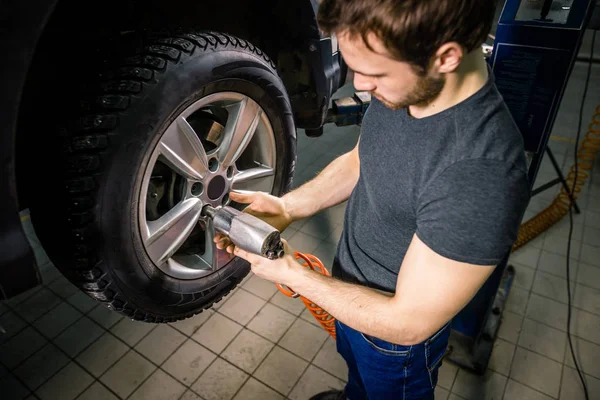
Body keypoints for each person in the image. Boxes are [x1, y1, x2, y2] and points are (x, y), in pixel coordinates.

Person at [215, 0, 531, 398]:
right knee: (357, 380)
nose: (360, 85)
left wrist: (293, 274)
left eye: (373, 73)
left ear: (446, 57)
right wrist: (289, 206)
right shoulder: (406, 88)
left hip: (391, 343)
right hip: (346, 294)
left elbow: (407, 322)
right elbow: (361, 160)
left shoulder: (481, 174)